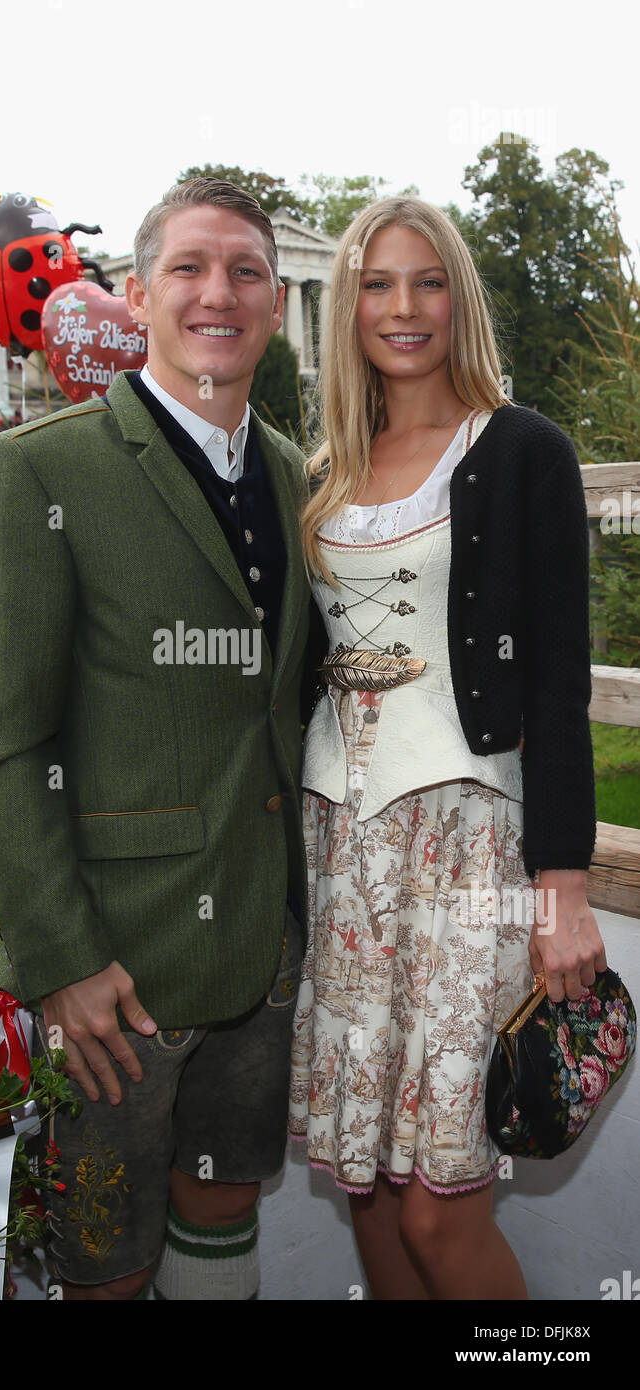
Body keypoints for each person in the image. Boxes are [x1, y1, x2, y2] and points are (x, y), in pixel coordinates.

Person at [0, 178, 312, 1300]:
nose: (220, 292)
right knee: (107, 1258)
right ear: (135, 294)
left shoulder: (298, 477)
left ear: (272, 297)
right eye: (189, 268)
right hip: (118, 964)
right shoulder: (37, 469)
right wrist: (62, 960)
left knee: (221, 1205)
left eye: (245, 270)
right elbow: (6, 743)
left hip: (261, 939)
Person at [289, 196, 605, 1300]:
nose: (403, 306)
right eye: (376, 284)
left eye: (426, 281)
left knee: (439, 1199)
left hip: (469, 845)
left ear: (457, 299)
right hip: (340, 847)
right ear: (348, 306)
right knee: (367, 1183)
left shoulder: (521, 451)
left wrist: (560, 887)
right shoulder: (324, 467)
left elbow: (560, 678)